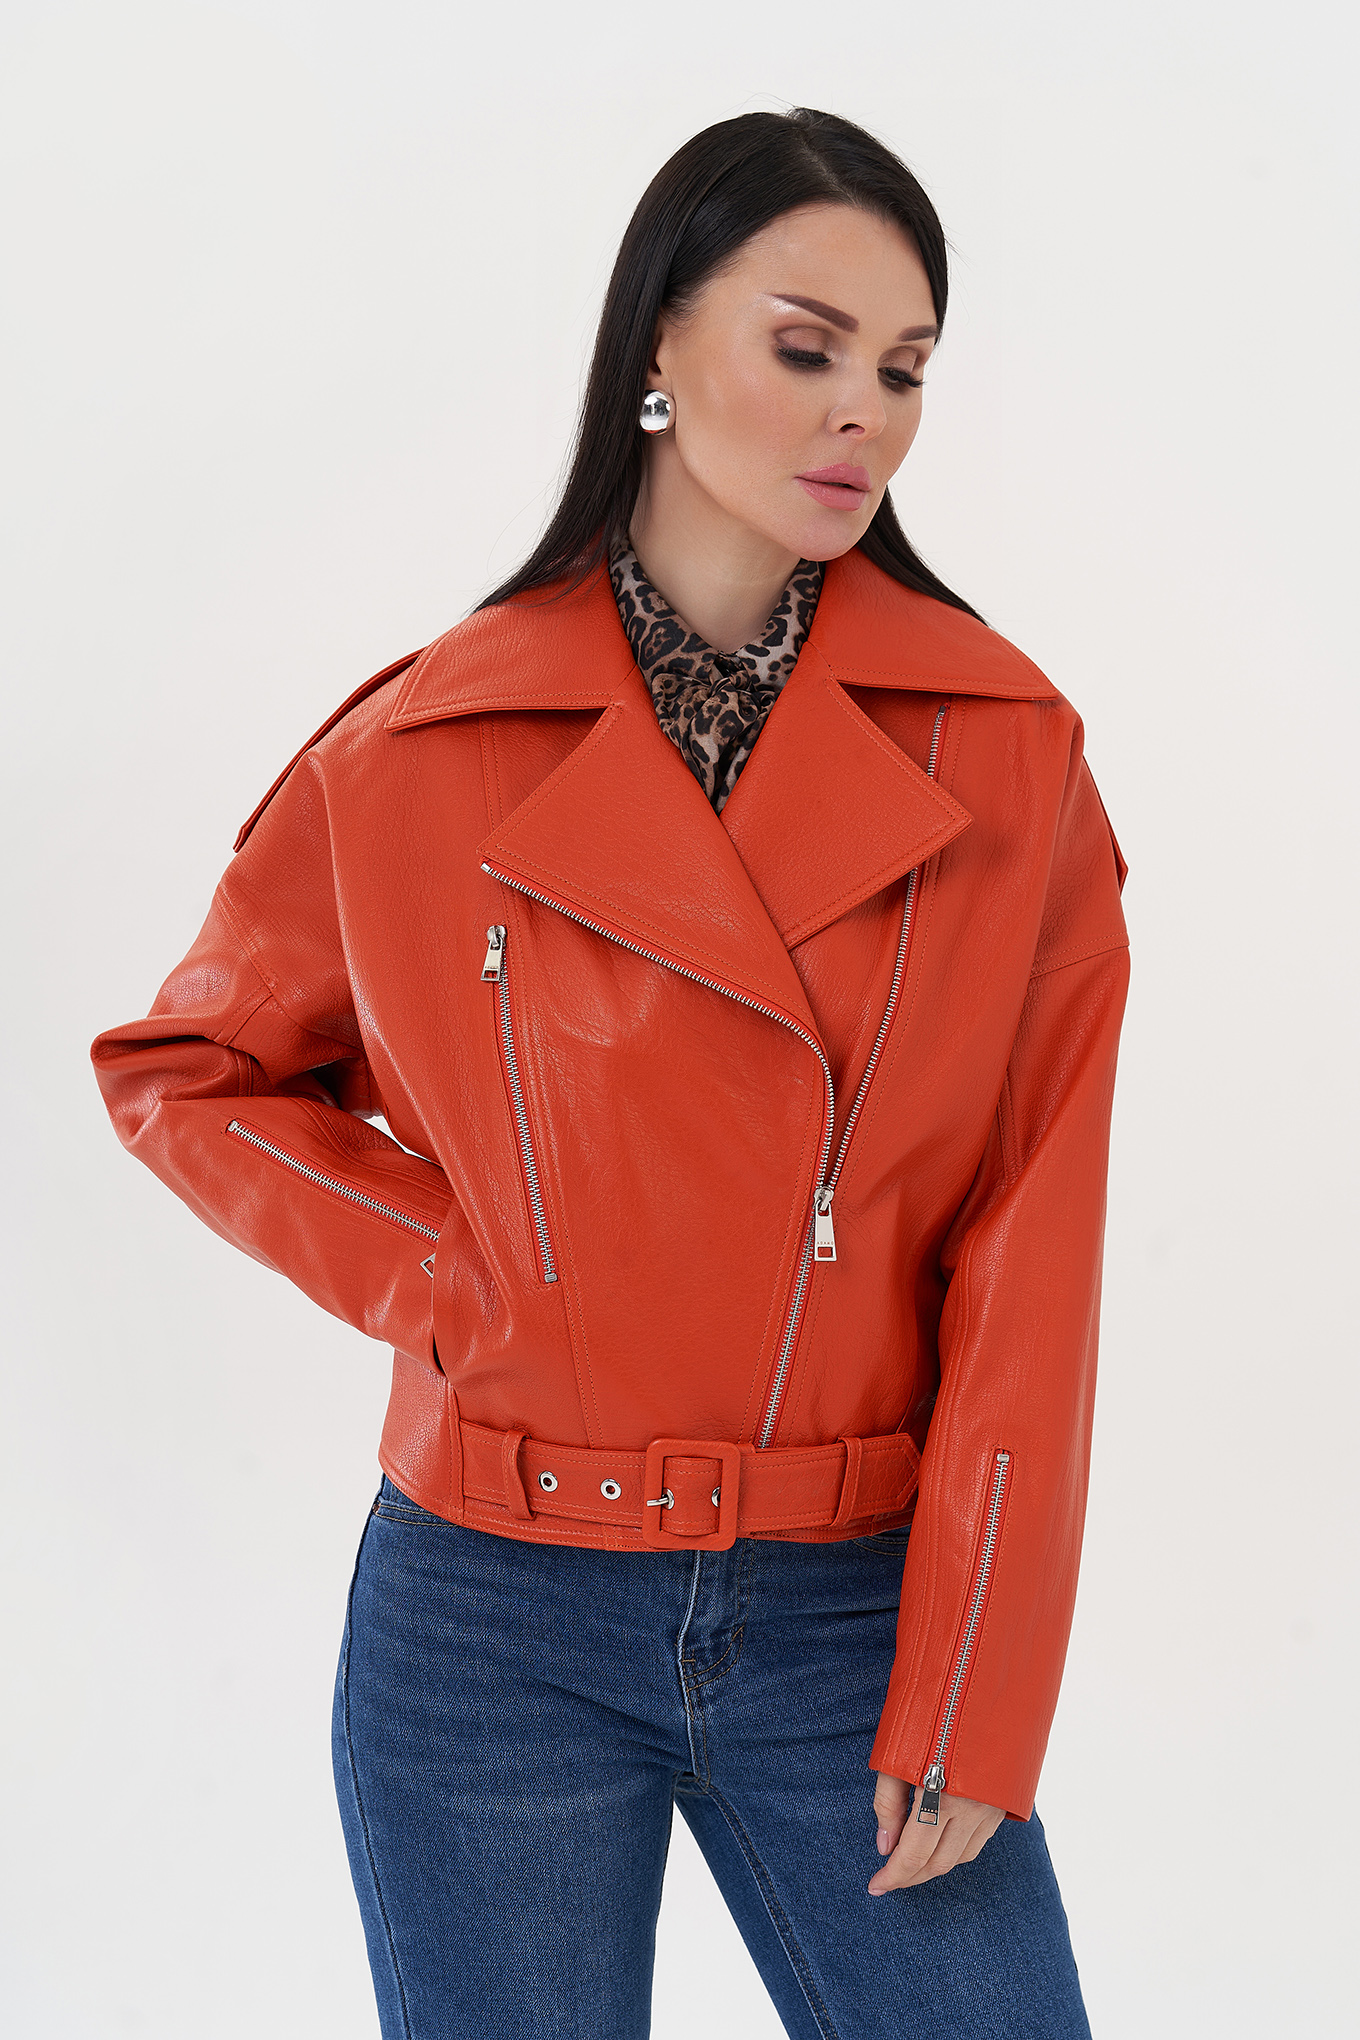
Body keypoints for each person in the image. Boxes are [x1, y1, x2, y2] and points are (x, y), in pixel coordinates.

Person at [91, 107, 1130, 2040]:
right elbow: (190, 1066)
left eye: (906, 369)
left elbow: (1033, 1239)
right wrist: (448, 1274)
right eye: (806, 347)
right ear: (658, 340)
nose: (865, 413)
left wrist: (982, 1674)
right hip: (492, 1610)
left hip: (857, 1604)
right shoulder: (424, 746)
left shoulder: (1004, 751)